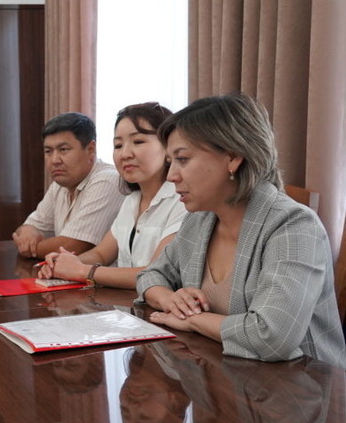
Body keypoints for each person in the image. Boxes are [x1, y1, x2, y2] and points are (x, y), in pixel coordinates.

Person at [137, 92, 346, 369]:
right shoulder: (199, 221)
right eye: (170, 162)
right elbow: (151, 275)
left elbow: (272, 336)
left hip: (300, 385)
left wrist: (192, 319)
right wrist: (171, 299)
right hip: (223, 373)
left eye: (183, 159)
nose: (171, 175)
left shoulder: (295, 226)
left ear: (233, 158)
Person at [38, 103, 186, 289]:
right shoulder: (132, 200)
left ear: (168, 147)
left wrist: (83, 271)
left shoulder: (182, 200)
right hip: (125, 304)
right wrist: (64, 263)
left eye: (138, 142)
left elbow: (155, 274)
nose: (125, 154)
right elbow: (101, 254)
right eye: (118, 145)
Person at [13, 112, 124, 259]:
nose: (54, 160)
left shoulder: (108, 180)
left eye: (63, 150)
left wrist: (28, 247)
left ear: (90, 150)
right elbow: (29, 228)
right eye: (48, 151)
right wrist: (27, 232)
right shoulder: (59, 184)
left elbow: (73, 246)